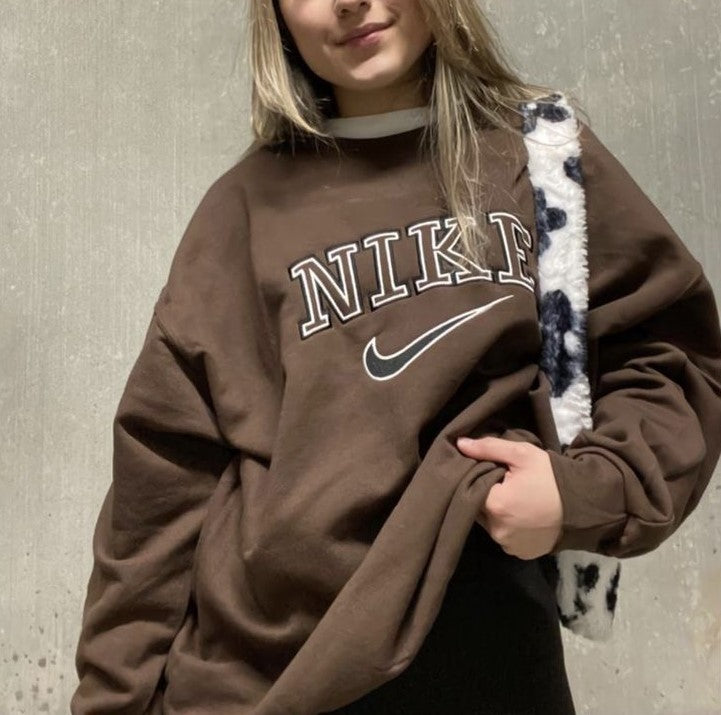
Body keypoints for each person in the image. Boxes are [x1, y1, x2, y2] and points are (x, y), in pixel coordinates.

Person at [70, 1, 721, 713]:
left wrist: (586, 491)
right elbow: (158, 491)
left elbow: (670, 354)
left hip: (490, 655)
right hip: (260, 678)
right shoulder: (241, 211)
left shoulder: (539, 159)